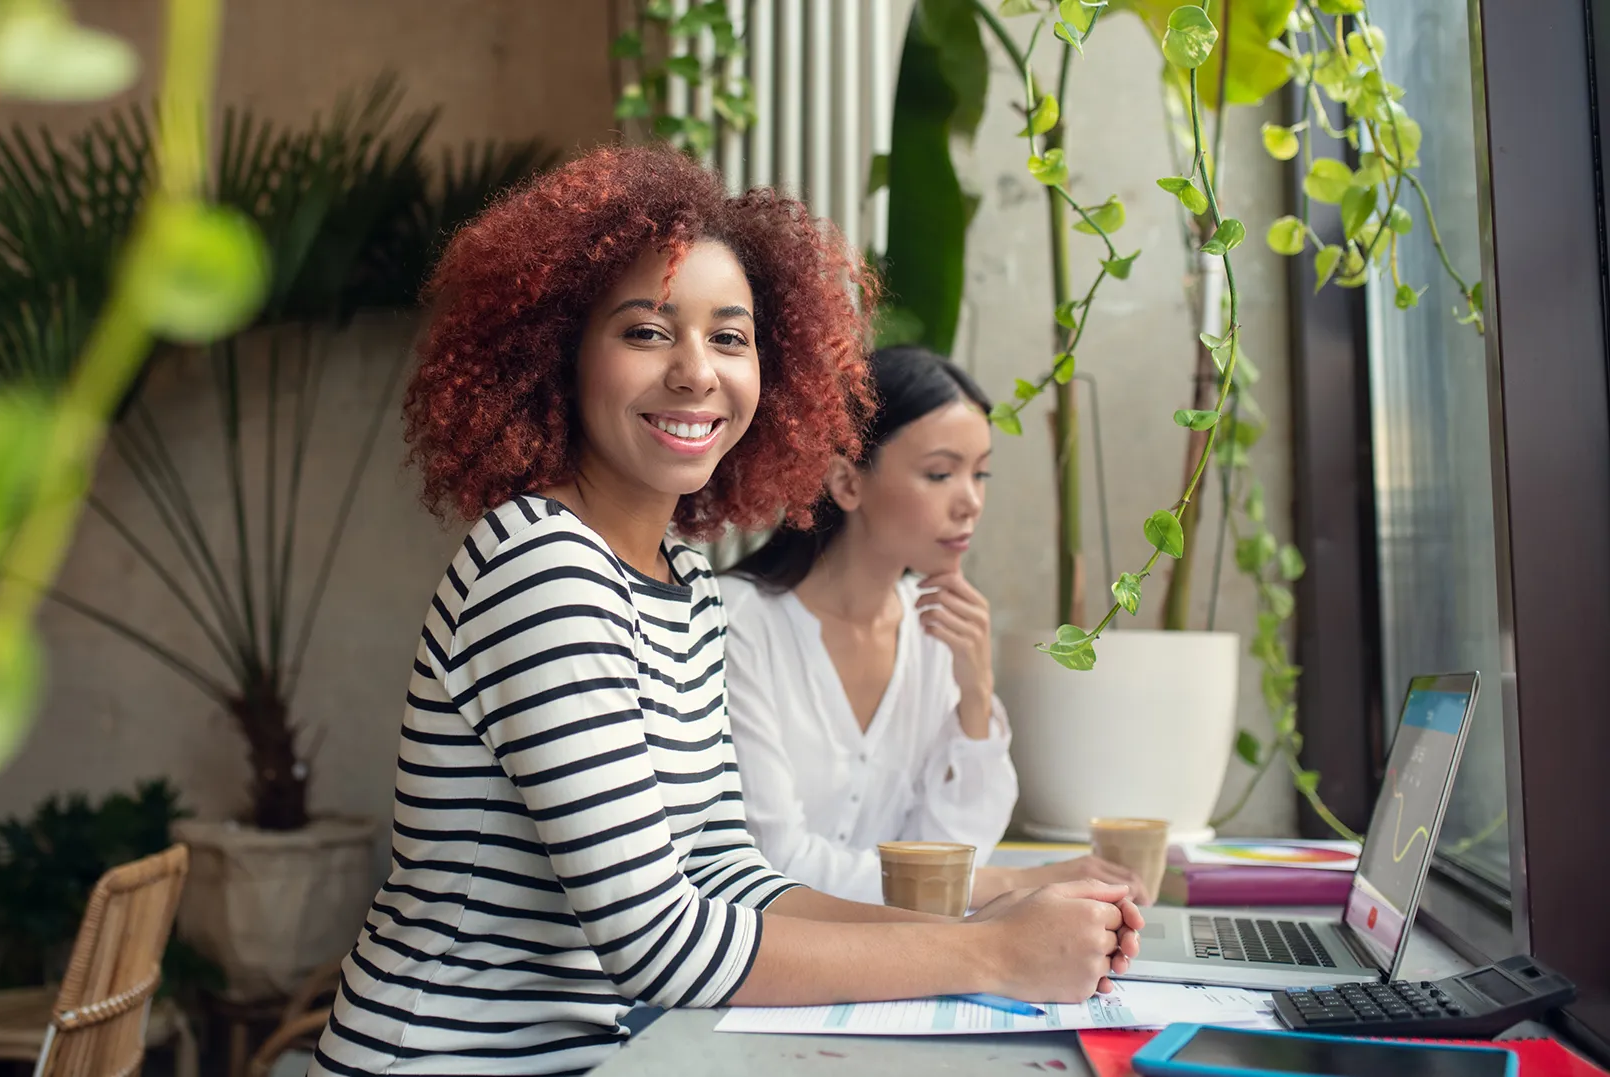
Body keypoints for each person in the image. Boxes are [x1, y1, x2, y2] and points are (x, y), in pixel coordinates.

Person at [308, 147, 1141, 1077]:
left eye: (731, 337)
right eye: (646, 332)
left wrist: (992, 916)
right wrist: (990, 953)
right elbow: (656, 942)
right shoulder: (540, 567)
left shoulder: (684, 579)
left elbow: (723, 876)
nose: (697, 372)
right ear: (559, 355)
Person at [722, 346, 1151, 910]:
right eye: (941, 473)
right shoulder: (738, 624)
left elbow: (950, 853)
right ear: (847, 483)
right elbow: (773, 864)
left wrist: (975, 694)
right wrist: (1019, 881)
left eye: (981, 473)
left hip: (896, 975)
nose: (971, 502)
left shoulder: (935, 631)